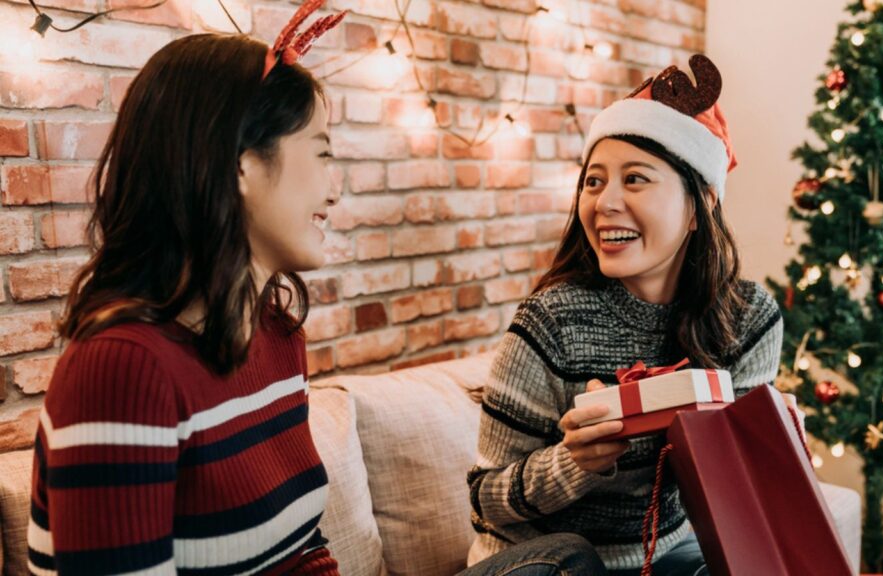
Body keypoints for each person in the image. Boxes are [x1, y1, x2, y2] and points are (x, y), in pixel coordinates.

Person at [27, 3, 607, 574]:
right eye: (322, 153)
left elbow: (304, 549)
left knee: (565, 557)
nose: (334, 192)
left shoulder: (275, 335)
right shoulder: (121, 371)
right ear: (239, 164)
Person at [467, 56, 783, 576]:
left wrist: (768, 443)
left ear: (699, 203)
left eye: (635, 179)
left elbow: (743, 490)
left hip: (661, 559)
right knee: (574, 557)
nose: (604, 202)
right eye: (593, 182)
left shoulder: (749, 319)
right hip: (543, 565)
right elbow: (485, 498)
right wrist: (574, 463)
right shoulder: (550, 322)